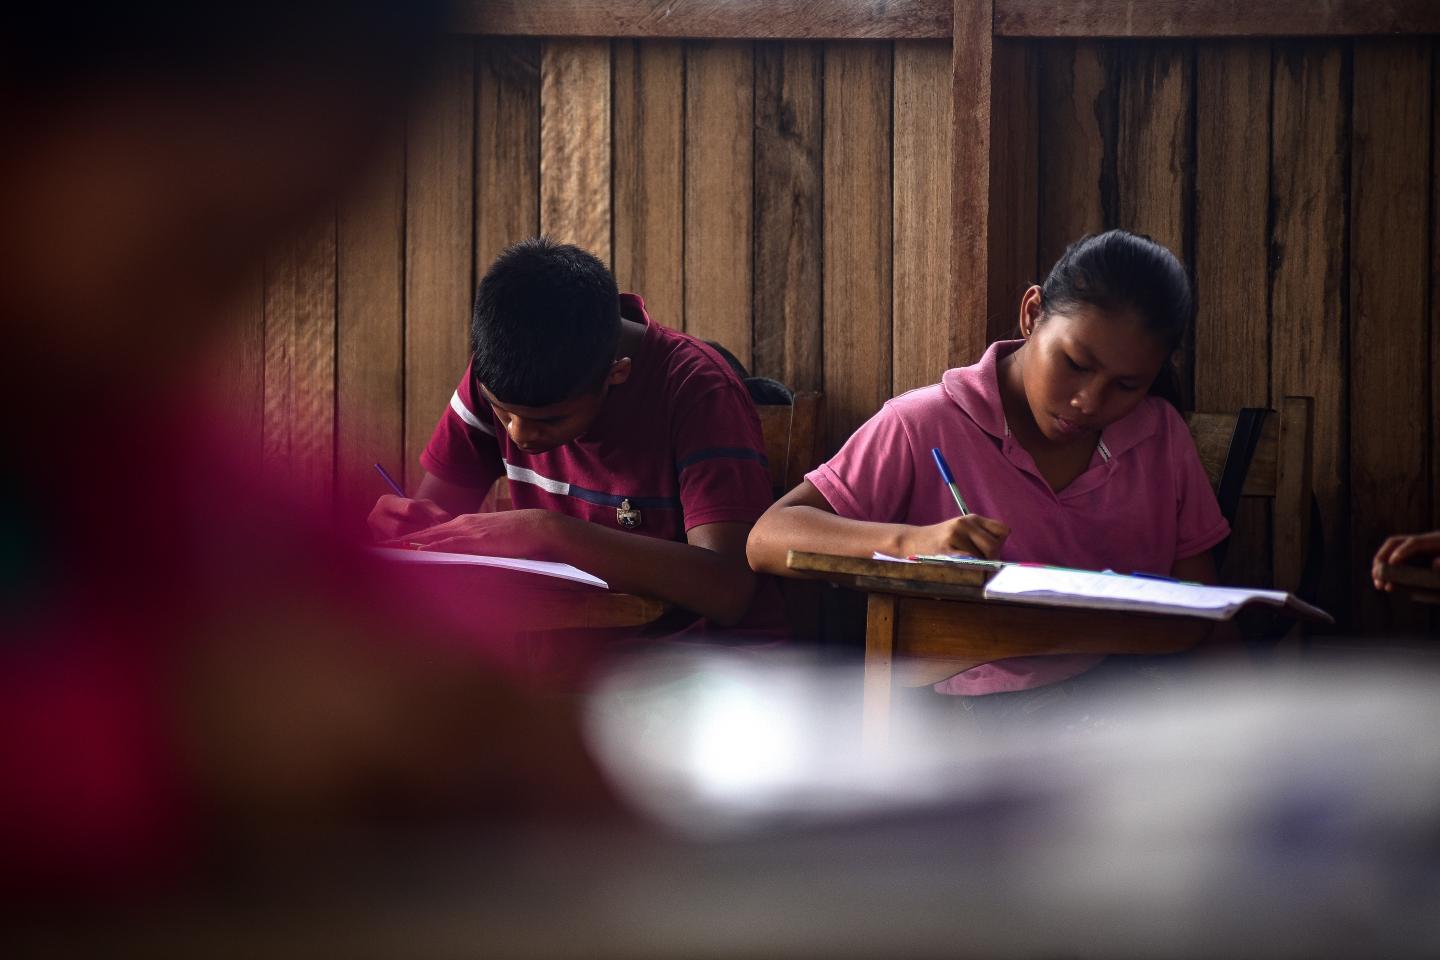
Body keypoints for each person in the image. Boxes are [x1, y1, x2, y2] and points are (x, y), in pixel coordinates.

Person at [0, 1, 615, 895]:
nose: (198, 326)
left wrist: (458, 688)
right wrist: (176, 739)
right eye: (201, 244)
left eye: (263, 258)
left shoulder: (92, 408)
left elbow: (297, 534)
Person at [747, 229, 1229, 700]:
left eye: (1127, 386)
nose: (1089, 401)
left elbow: (1205, 616)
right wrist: (913, 541)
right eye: (1076, 364)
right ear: (1032, 313)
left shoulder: (1158, 436)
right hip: (963, 714)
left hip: (1127, 709)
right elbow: (768, 538)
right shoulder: (925, 423)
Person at [369, 238, 781, 634]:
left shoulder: (697, 388)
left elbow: (728, 587)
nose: (519, 434)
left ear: (616, 374)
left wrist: (547, 532)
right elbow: (438, 537)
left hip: (687, 670)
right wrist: (409, 533)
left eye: (550, 421)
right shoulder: (497, 375)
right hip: (553, 661)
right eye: (502, 413)